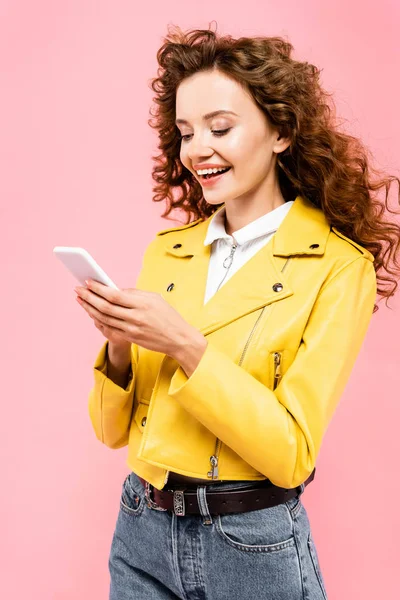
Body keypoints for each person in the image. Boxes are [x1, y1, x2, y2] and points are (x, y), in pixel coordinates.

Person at [76, 24, 400, 600]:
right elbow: (110, 434)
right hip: (141, 528)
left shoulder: (335, 266)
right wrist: (120, 344)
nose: (197, 148)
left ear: (280, 131)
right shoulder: (169, 252)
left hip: (248, 542)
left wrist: (185, 346)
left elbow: (291, 454)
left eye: (220, 127)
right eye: (184, 132)